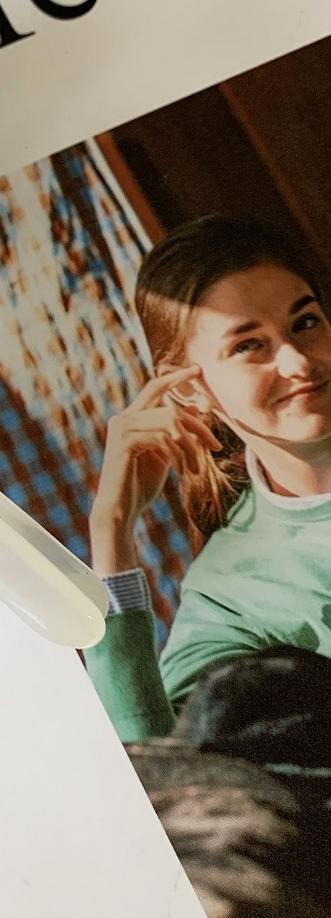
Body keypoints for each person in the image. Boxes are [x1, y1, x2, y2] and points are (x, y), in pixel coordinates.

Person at [83, 214, 331, 743]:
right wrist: (112, 529)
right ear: (187, 388)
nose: (297, 362)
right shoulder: (231, 590)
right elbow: (160, 761)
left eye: (305, 322)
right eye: (248, 346)